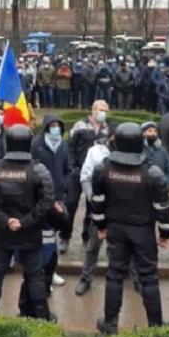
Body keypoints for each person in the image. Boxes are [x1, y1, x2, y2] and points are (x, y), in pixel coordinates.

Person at [91, 122, 169, 334]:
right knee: (148, 277)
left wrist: (101, 226)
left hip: (115, 229)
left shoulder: (103, 168)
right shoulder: (152, 172)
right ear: (140, 142)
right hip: (142, 230)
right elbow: (163, 208)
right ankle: (155, 327)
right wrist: (165, 233)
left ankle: (110, 325)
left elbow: (97, 201)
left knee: (115, 274)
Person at [0, 124, 55, 320]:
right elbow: (47, 201)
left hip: (2, 231)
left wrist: (6, 221)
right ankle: (42, 317)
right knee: (35, 276)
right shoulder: (39, 170)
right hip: (29, 231)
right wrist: (24, 222)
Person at [60, 101, 109, 253]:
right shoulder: (80, 125)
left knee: (93, 207)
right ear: (93, 110)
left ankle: (86, 238)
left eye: (105, 111)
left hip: (97, 175)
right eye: (101, 110)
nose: (103, 113)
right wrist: (73, 166)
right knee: (70, 203)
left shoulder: (108, 129)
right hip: (77, 171)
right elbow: (70, 147)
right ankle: (65, 237)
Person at [30, 114, 71, 291]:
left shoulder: (63, 145)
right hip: (39, 199)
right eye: (52, 125)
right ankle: (39, 274)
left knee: (52, 238)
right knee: (39, 238)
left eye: (58, 125)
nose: (55, 128)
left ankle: (51, 272)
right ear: (46, 126)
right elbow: (30, 170)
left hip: (58, 198)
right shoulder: (36, 145)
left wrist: (65, 184)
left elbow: (69, 169)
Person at [75, 124, 116, 296]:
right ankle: (86, 278)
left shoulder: (131, 152)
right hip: (100, 207)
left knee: (122, 247)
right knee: (93, 246)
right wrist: (93, 200)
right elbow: (85, 176)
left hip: (121, 208)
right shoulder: (95, 151)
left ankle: (130, 278)